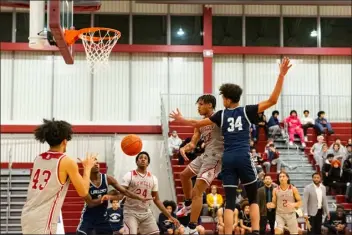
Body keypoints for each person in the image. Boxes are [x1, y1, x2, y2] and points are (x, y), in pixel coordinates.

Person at [169, 57, 293, 235]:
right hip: (242, 155)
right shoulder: (246, 110)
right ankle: (256, 231)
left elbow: (196, 123)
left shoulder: (220, 115)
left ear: (226, 100)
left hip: (225, 157)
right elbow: (272, 100)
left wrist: (181, 120)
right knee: (252, 199)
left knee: (229, 202)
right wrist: (281, 75)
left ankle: (209, 229)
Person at [21, 118, 97, 234]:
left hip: (27, 215)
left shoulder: (38, 158)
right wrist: (87, 168)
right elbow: (84, 192)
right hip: (43, 220)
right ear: (65, 141)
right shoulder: (66, 161)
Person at [175, 95, 223, 234]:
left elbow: (192, 122)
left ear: (209, 105)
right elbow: (192, 143)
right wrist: (184, 148)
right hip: (205, 155)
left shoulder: (219, 117)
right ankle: (188, 205)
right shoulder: (201, 124)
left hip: (216, 158)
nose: (198, 107)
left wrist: (182, 120)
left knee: (197, 191)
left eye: (201, 104)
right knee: (183, 175)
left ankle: (192, 228)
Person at [111, 151, 179, 235]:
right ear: (136, 162)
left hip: (146, 212)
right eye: (140, 158)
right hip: (131, 211)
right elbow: (121, 194)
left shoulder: (153, 178)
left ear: (148, 163)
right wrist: (111, 195)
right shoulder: (129, 175)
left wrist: (169, 216)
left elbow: (156, 200)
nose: (143, 159)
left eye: (145, 158)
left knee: (155, 233)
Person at [77, 158, 147, 235]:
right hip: (88, 216)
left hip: (102, 217)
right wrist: (105, 197)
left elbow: (124, 192)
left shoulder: (108, 178)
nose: (96, 164)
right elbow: (90, 203)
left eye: (97, 162)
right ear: (89, 166)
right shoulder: (85, 182)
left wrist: (139, 197)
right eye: (94, 163)